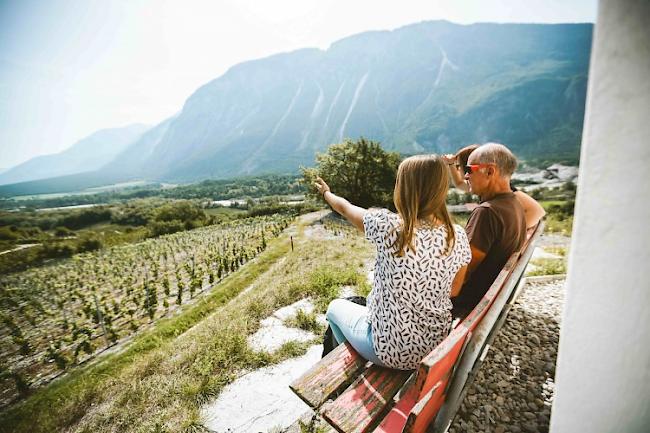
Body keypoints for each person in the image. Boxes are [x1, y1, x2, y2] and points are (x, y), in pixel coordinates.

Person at [314, 155, 471, 370]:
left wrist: (326, 193)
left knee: (334, 308)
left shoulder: (390, 227)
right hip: (435, 345)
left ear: (404, 188)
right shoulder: (457, 235)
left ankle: (355, 371)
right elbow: (453, 290)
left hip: (391, 351)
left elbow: (345, 208)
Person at [451, 143, 527, 317]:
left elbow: (464, 270)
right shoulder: (514, 204)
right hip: (488, 301)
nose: (466, 176)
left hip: (466, 304)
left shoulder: (487, 213)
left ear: (490, 171)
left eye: (469, 169)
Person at [443, 145, 546, 230]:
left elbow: (537, 211)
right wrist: (451, 164)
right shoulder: (485, 190)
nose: (463, 173)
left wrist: (513, 232)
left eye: (459, 167)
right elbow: (459, 183)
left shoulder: (507, 192)